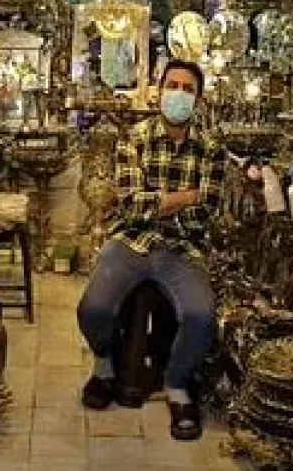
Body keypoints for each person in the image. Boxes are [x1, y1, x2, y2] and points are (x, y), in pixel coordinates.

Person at [76, 59, 224, 441]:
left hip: (182, 247)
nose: (178, 94)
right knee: (93, 308)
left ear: (199, 99)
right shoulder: (135, 137)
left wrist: (159, 203)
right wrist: (184, 197)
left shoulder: (211, 149)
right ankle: (105, 365)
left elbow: (206, 211)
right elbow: (129, 205)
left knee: (201, 316)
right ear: (159, 91)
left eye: (187, 89)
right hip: (131, 240)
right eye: (172, 85)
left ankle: (176, 384)